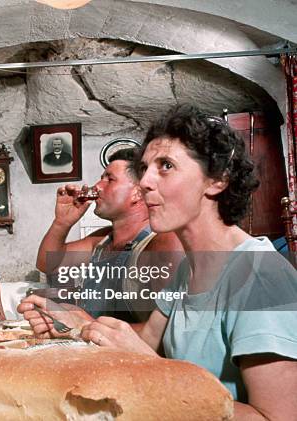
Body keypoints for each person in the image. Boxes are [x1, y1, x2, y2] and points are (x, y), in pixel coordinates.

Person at [20, 105, 297, 419]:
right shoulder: (188, 270)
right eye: (145, 168)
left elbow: (277, 417)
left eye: (165, 165)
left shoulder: (260, 277)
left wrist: (153, 369)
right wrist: (78, 326)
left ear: (217, 180)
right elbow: (148, 341)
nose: (145, 182)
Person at [36, 147, 183, 322]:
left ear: (137, 192)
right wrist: (62, 222)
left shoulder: (161, 243)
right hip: (92, 346)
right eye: (100, 179)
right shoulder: (101, 241)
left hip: (126, 349)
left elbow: (163, 334)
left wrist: (85, 324)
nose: (97, 186)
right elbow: (47, 264)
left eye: (109, 179)